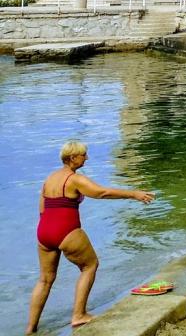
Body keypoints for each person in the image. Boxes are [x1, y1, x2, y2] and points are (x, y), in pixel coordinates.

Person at [28, 141, 154, 334]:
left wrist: (49, 230)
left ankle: (30, 328)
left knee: (45, 279)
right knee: (90, 266)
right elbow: (101, 192)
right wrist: (133, 194)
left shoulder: (49, 178)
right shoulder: (74, 179)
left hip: (44, 232)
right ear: (72, 158)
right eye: (83, 155)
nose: (86, 158)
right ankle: (79, 315)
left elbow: (42, 210)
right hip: (66, 230)